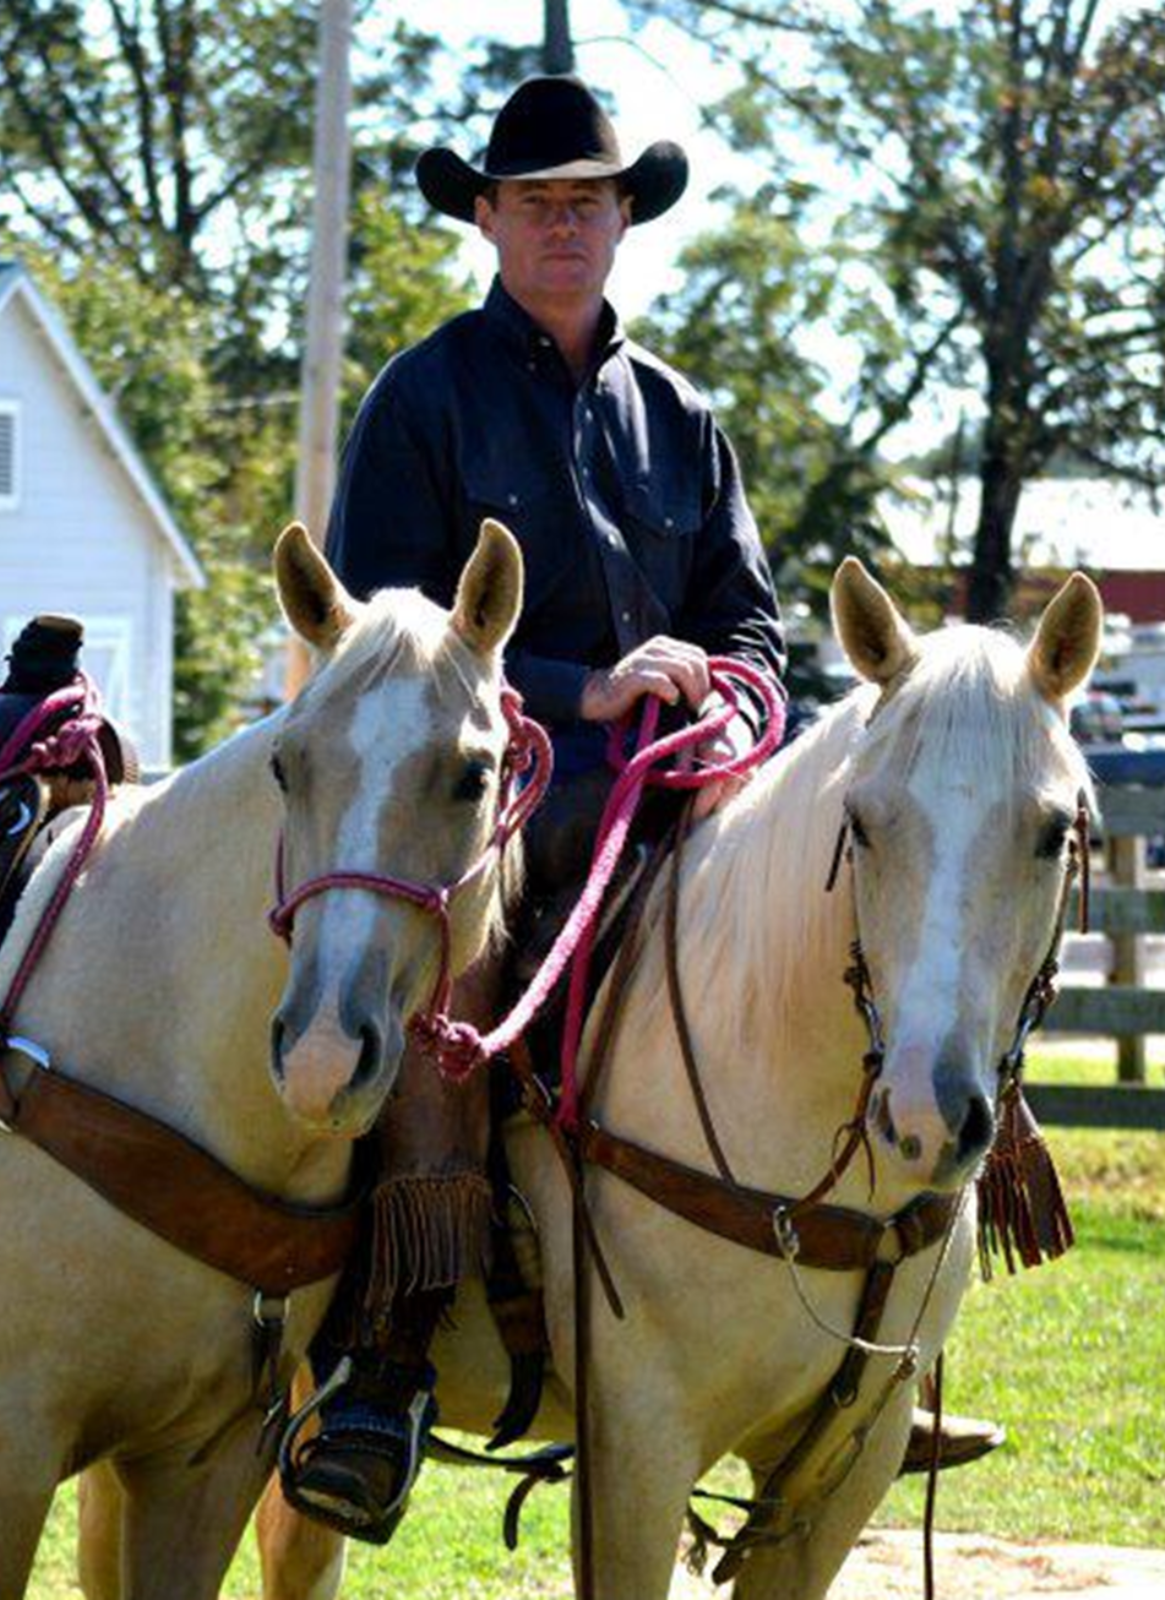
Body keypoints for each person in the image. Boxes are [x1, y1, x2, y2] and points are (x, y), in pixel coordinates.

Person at [283, 74, 1000, 1544]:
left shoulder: (680, 417)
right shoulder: (422, 399)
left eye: (589, 201)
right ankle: (389, 1353)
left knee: (910, 943)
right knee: (450, 1003)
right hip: (498, 793)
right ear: (486, 218)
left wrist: (722, 693)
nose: (565, 224)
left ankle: (889, 1339)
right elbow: (388, 646)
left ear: (622, 222)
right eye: (536, 200)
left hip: (694, 796)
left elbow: (751, 623)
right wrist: (586, 681)